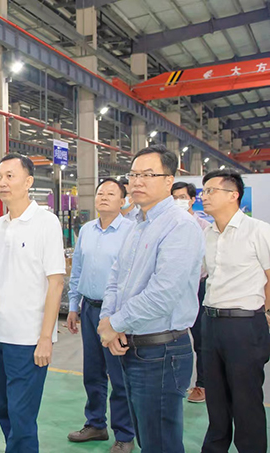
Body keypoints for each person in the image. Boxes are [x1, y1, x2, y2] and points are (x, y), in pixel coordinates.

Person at [97, 145, 204, 453]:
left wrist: (115, 323)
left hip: (162, 351)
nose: (137, 182)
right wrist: (108, 320)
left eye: (148, 175)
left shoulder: (180, 226)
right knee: (147, 438)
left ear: (169, 180)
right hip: (133, 346)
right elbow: (116, 278)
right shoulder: (137, 225)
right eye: (133, 175)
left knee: (160, 442)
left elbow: (163, 293)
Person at [0, 153, 65, 452]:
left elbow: (55, 283)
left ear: (28, 182)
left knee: (22, 417)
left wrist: (45, 338)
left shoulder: (46, 223)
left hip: (28, 340)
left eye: (10, 176)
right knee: (5, 412)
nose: (2, 182)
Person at [200, 169, 270, 453]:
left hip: (244, 325)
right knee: (215, 398)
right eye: (204, 191)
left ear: (233, 195)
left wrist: (267, 314)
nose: (204, 197)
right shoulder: (207, 233)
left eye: (211, 191)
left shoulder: (258, 230)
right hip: (211, 322)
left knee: (245, 399)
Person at [67, 178, 135, 453]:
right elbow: (77, 269)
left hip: (115, 315)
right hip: (89, 309)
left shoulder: (132, 231)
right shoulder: (86, 230)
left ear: (123, 201)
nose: (103, 197)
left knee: (119, 376)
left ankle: (125, 434)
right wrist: (74, 305)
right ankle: (95, 424)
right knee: (92, 372)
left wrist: (122, 319)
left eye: (111, 193)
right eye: (100, 193)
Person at [171, 181, 209, 403]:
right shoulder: (168, 225)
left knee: (201, 338)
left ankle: (202, 385)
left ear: (193, 200)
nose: (179, 201)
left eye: (183, 197)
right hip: (173, 287)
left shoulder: (203, 227)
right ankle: (175, 382)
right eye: (174, 197)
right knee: (172, 334)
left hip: (198, 286)